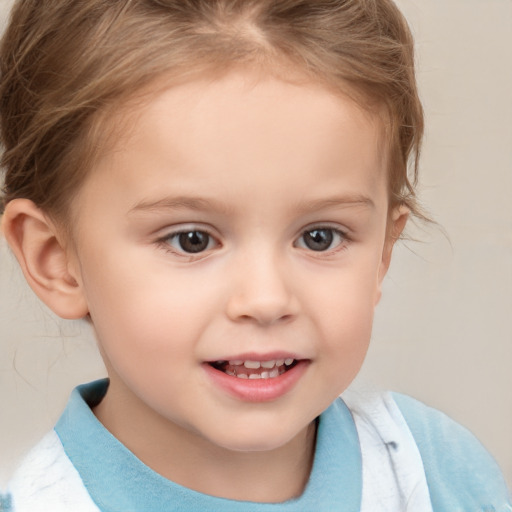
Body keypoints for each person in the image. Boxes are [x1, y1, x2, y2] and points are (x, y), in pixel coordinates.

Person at [0, 0, 510, 510]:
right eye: (191, 239)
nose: (266, 300)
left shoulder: (435, 474)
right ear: (56, 260)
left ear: (382, 252)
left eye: (320, 237)